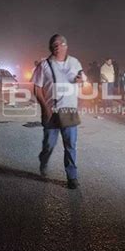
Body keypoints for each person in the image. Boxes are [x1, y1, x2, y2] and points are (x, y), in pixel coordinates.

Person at [31, 34, 86, 189]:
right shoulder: (44, 65)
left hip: (69, 111)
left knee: (70, 145)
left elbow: (82, 79)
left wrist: (81, 80)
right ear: (51, 47)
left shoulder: (75, 62)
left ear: (65, 46)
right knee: (49, 144)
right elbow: (37, 88)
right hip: (51, 112)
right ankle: (43, 161)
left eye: (60, 43)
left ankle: (72, 177)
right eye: (53, 44)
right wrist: (45, 107)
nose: (57, 46)